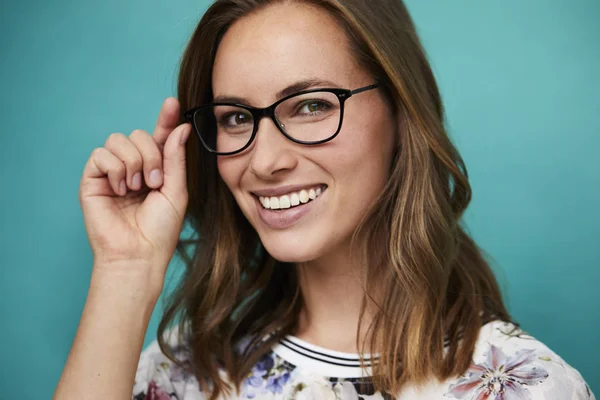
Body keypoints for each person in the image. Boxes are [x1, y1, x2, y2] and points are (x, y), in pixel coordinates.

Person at [54, 0, 595, 399]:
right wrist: (125, 270)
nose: (264, 161)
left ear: (402, 113)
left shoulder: (522, 384)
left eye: (310, 106)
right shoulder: (187, 366)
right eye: (236, 118)